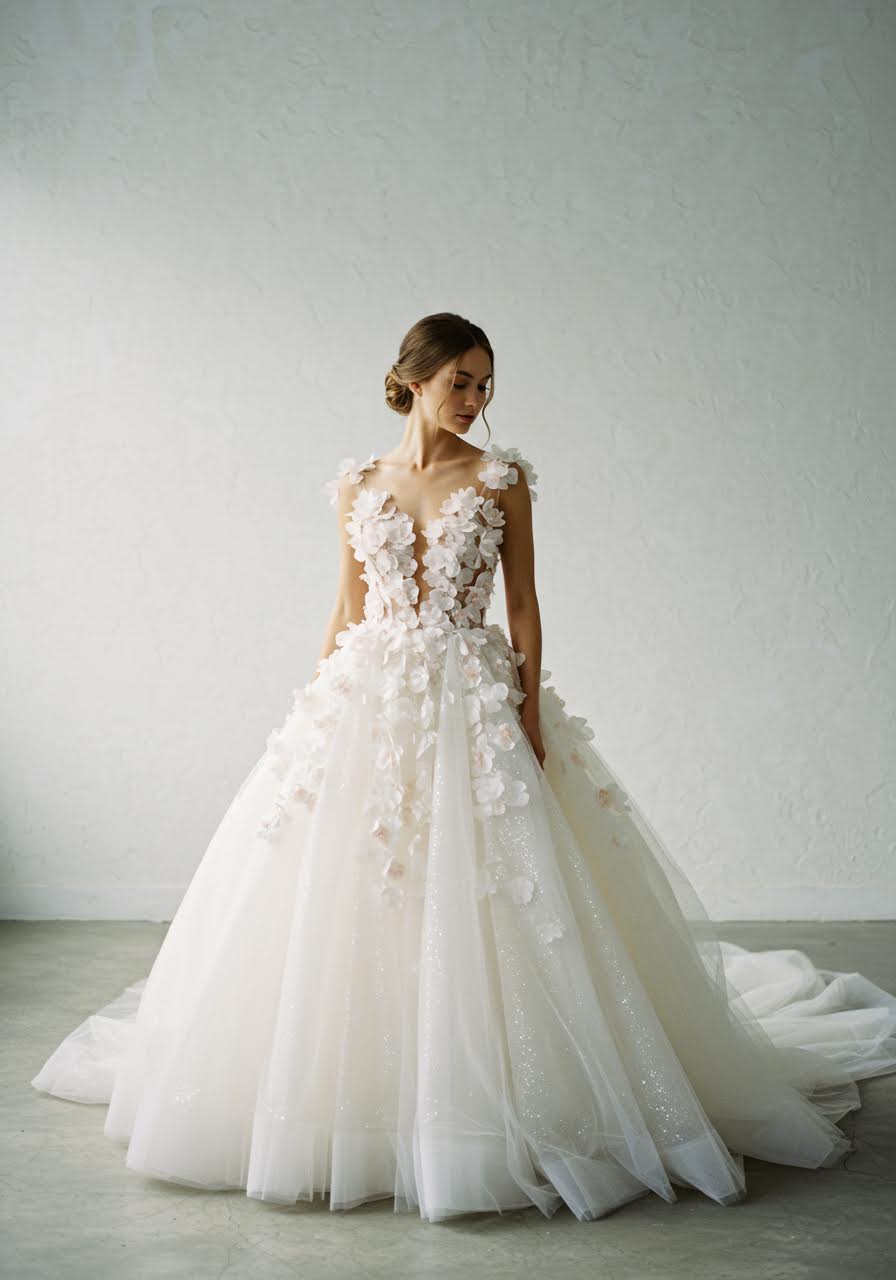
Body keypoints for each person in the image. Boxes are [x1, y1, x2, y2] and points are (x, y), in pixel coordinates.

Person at [31, 312, 896, 1223]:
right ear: (415, 377)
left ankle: (499, 1104)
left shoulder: (501, 479)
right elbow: (345, 604)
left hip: (473, 700)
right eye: (462, 382)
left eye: (486, 385)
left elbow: (523, 605)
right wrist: (318, 708)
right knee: (353, 893)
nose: (476, 401)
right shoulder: (359, 483)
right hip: (370, 698)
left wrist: (526, 711)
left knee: (494, 893)